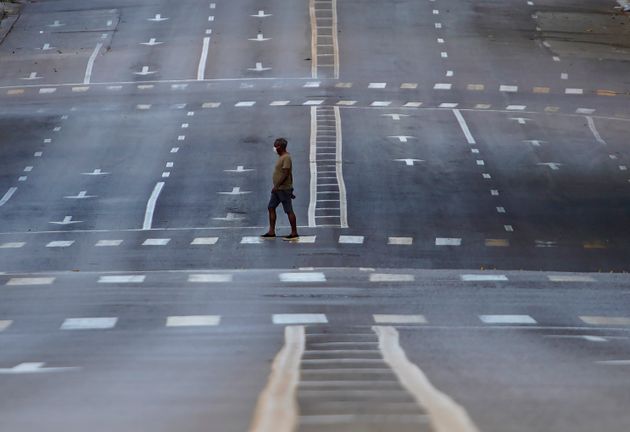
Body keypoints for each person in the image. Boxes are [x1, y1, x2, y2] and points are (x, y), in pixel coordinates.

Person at [261, 138, 299, 240]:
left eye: (275, 146)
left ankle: (294, 232)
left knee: (288, 210)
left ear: (280, 147)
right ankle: (271, 231)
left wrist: (277, 186)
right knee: (271, 207)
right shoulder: (281, 157)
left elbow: (286, 173)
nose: (274, 148)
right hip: (278, 189)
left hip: (283, 189)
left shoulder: (286, 157)